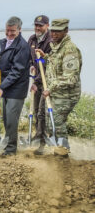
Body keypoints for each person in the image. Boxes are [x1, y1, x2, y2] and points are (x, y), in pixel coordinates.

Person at [36, 18, 82, 156]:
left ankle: (63, 152)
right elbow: (56, 63)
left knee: (56, 121)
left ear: (66, 31)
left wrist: (51, 87)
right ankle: (59, 149)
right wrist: (46, 57)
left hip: (66, 94)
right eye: (53, 31)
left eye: (58, 31)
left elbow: (71, 77)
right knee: (50, 122)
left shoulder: (70, 49)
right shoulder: (56, 47)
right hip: (54, 93)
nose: (54, 34)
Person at [0, 16, 30, 155]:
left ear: (19, 30)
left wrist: (2, 86)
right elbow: (6, 54)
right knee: (5, 117)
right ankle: (7, 142)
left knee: (11, 118)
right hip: (7, 86)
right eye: (7, 30)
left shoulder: (22, 46)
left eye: (13, 31)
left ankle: (11, 149)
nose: (9, 33)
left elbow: (16, 71)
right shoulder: (7, 42)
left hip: (16, 88)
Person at [27, 15, 52, 155]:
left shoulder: (50, 41)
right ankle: (38, 135)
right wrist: (31, 65)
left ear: (47, 26)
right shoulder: (32, 39)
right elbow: (29, 58)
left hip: (47, 82)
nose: (37, 28)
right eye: (36, 25)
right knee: (36, 110)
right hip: (36, 80)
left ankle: (42, 142)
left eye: (40, 25)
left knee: (42, 112)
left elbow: (52, 64)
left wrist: (37, 81)